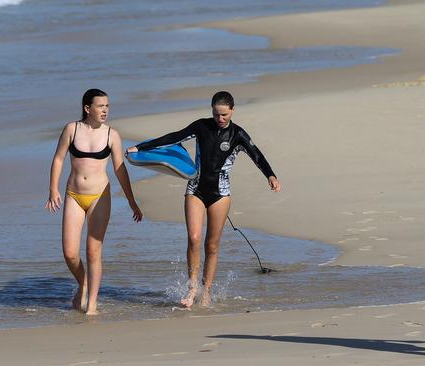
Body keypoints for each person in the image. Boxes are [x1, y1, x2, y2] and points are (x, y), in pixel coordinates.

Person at [127, 91, 281, 308]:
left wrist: (271, 176)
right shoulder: (201, 126)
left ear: (233, 111)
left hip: (220, 194)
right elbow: (175, 137)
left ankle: (206, 290)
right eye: (217, 114)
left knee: (212, 245)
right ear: (212, 110)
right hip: (195, 189)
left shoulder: (238, 134)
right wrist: (141, 148)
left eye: (225, 115)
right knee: (194, 237)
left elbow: (257, 156)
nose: (220, 119)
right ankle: (192, 288)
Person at [46, 88, 143, 315]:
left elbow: (120, 170)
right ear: (87, 108)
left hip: (100, 196)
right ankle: (84, 282)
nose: (105, 110)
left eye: (107, 106)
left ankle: (91, 305)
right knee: (70, 253)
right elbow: (58, 159)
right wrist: (53, 189)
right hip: (73, 195)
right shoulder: (72, 129)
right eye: (100, 106)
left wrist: (131, 201)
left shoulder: (112, 135)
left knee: (93, 251)